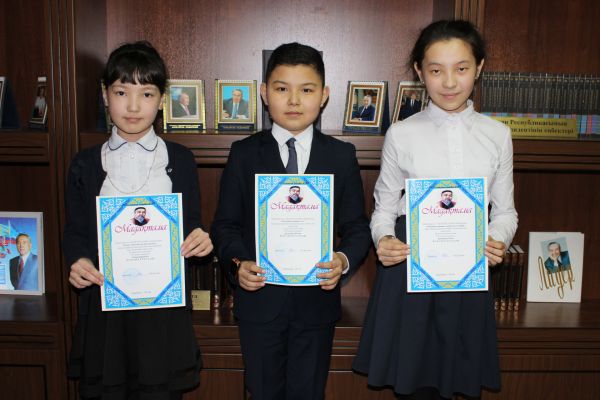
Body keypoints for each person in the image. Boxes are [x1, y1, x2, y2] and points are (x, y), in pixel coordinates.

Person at [353, 20, 518, 400]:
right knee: (413, 384)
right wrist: (385, 239)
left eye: (461, 68)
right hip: (410, 275)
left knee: (460, 380)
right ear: (419, 71)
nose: (449, 82)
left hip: (470, 273)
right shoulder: (401, 133)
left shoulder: (497, 135)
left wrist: (497, 239)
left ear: (479, 68)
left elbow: (506, 212)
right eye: (436, 70)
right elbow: (383, 210)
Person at [212, 42, 371, 400]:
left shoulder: (341, 156)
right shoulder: (243, 154)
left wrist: (342, 260)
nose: (294, 101)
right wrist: (238, 264)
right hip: (259, 303)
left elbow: (357, 228)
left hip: (317, 305)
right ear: (265, 93)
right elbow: (224, 226)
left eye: (307, 90)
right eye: (282, 89)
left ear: (324, 95)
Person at [63, 41, 213, 400]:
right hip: (106, 314)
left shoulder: (181, 160)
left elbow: (191, 224)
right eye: (121, 92)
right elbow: (75, 232)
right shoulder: (84, 163)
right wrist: (78, 261)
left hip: (162, 314)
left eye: (146, 94)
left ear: (162, 100)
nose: (133, 106)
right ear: (105, 95)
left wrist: (200, 240)